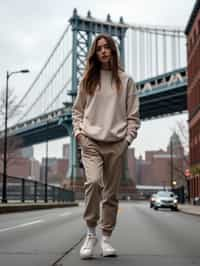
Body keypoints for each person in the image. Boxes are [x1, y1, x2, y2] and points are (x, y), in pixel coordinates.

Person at [72, 33, 140, 259]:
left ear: (112, 50)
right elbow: (77, 111)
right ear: (95, 52)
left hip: (116, 144)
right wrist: (79, 134)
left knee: (110, 194)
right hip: (90, 142)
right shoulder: (87, 81)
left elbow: (133, 116)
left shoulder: (126, 80)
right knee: (92, 182)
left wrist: (127, 140)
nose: (103, 51)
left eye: (107, 47)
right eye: (99, 48)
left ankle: (106, 238)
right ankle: (91, 233)